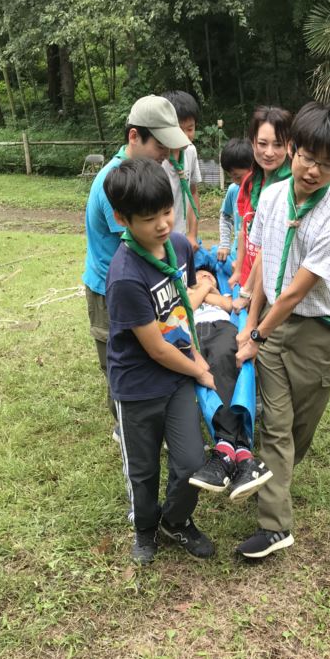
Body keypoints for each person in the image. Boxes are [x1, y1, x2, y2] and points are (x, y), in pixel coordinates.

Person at [234, 102, 330, 560]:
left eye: (326, 164)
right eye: (307, 157)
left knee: (299, 431)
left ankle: (274, 479)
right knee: (276, 427)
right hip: (271, 327)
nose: (313, 170)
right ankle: (274, 525)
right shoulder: (271, 197)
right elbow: (268, 262)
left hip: (316, 334)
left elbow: (295, 294)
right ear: (293, 150)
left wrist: (257, 335)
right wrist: (251, 327)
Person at [103, 157, 216, 565]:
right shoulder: (125, 275)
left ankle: (176, 521)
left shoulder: (178, 246)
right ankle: (145, 528)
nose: (164, 224)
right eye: (150, 218)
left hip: (176, 379)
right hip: (138, 388)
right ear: (123, 218)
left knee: (191, 464)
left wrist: (206, 287)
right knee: (144, 470)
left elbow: (181, 306)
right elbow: (155, 348)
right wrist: (200, 369)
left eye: (167, 212)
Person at [82, 96, 189, 435]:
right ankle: (126, 426)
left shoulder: (142, 176)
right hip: (109, 290)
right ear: (134, 137)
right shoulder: (117, 185)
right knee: (121, 359)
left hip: (144, 286)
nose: (166, 155)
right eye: (160, 145)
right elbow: (134, 251)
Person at [187, 269, 272, 501]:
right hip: (189, 333)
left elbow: (228, 305)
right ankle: (242, 454)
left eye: (209, 275)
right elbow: (187, 308)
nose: (204, 277)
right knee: (198, 372)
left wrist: (206, 292)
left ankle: (226, 450)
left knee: (224, 363)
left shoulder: (224, 293)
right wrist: (204, 289)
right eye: (199, 275)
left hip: (221, 329)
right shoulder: (183, 292)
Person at [228, 106, 292, 300]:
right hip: (248, 276)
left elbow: (271, 246)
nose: (269, 152)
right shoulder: (248, 182)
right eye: (262, 143)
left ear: (290, 145)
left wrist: (247, 291)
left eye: (278, 145)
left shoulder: (292, 188)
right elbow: (243, 230)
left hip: (273, 285)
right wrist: (239, 270)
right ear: (252, 142)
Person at [161, 91, 202, 252]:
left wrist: (192, 234)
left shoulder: (190, 151)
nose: (185, 136)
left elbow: (193, 192)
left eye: (190, 129)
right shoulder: (157, 159)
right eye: (179, 130)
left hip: (182, 238)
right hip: (160, 238)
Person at [217, 139, 254, 263]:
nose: (234, 181)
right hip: (236, 254)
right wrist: (225, 244)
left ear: (252, 167)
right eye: (230, 176)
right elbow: (225, 215)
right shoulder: (233, 189)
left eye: (237, 176)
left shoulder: (263, 192)